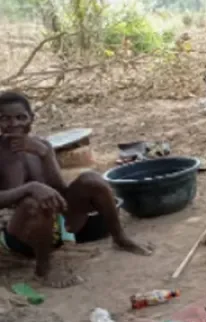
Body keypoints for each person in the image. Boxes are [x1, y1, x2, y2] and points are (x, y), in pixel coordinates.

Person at [0, 91, 152, 288]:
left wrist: (45, 155)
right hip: (22, 234)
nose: (14, 124)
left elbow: (58, 189)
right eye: (5, 119)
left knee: (92, 179)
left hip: (60, 227)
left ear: (31, 118)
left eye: (21, 117)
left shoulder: (42, 146)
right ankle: (43, 269)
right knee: (33, 202)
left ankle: (120, 238)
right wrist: (31, 187)